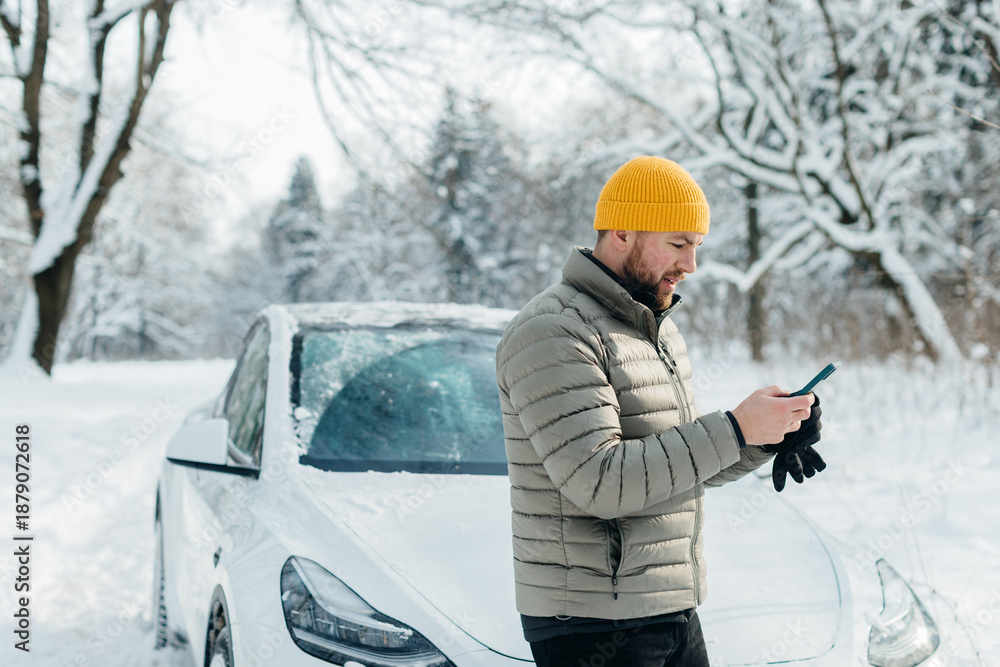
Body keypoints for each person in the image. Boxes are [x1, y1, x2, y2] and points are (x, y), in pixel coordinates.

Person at [495, 156, 825, 666]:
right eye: (677, 244)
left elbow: (677, 470)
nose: (690, 265)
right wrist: (735, 429)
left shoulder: (655, 330)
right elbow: (600, 482)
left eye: (696, 246)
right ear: (622, 232)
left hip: (671, 610)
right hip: (592, 625)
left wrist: (767, 435)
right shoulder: (554, 330)